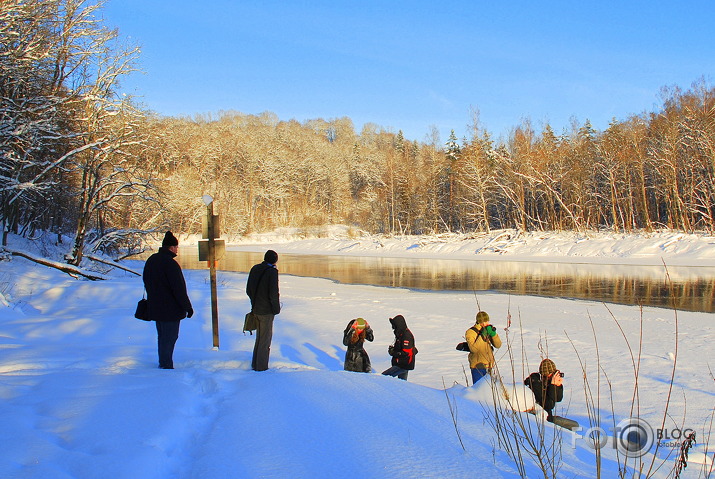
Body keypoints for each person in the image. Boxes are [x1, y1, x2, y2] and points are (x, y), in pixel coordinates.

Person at [142, 231, 193, 369]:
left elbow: (146, 280)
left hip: (155, 307)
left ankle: (163, 362)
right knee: (170, 338)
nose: (177, 250)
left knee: (162, 336)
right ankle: (166, 365)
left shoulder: (152, 260)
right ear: (171, 247)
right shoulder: (171, 264)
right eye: (176, 247)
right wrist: (188, 307)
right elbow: (179, 289)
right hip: (171, 309)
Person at [246, 250, 281, 371]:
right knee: (265, 340)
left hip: (256, 308)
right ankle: (261, 368)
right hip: (266, 311)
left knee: (259, 338)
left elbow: (248, 290)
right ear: (275, 260)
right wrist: (276, 309)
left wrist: (254, 302)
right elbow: (273, 293)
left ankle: (255, 364)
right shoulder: (272, 272)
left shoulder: (255, 268)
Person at [465, 311, 502, 384]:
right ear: (479, 322)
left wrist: (493, 335)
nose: (487, 323)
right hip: (477, 367)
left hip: (489, 366)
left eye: (487, 321)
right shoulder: (470, 332)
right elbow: (474, 349)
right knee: (479, 389)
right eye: (485, 321)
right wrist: (482, 335)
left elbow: (498, 345)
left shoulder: (488, 329)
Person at [381, 314, 417, 380]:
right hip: (402, 364)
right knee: (402, 384)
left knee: (383, 378)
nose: (393, 328)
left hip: (403, 365)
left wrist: (393, 352)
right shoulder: (401, 334)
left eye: (394, 326)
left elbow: (406, 352)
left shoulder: (406, 336)